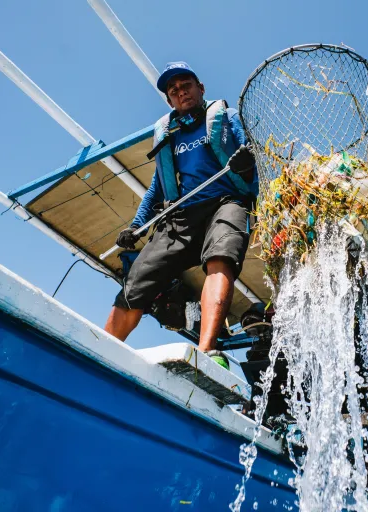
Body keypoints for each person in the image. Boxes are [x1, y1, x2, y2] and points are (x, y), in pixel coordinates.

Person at [104, 61, 257, 370]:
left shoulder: (227, 118)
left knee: (221, 257)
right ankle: (101, 351)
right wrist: (136, 225)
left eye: (186, 85)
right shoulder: (167, 135)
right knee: (137, 281)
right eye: (173, 90)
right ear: (169, 100)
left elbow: (251, 155)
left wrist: (247, 162)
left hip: (225, 202)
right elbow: (156, 187)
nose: (180, 91)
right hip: (180, 216)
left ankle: (206, 353)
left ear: (200, 88)